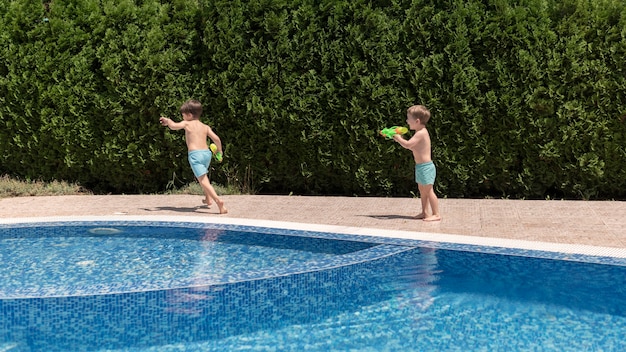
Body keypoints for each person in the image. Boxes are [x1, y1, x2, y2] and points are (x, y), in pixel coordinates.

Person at [159, 99, 228, 214]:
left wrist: (168, 121)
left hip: (195, 155)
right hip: (206, 154)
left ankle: (219, 201)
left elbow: (174, 126)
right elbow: (216, 139)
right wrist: (219, 151)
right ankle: (208, 198)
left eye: (183, 115)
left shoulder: (187, 123)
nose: (182, 117)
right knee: (204, 176)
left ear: (189, 115)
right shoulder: (205, 127)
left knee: (203, 180)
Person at [393, 105, 441, 221]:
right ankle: (425, 212)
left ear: (417, 121)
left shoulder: (421, 133)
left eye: (408, 119)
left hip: (426, 167)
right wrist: (400, 138)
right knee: (422, 190)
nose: (407, 121)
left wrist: (399, 138)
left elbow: (408, 145)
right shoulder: (419, 132)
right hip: (420, 166)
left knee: (429, 191)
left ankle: (436, 214)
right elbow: (412, 145)